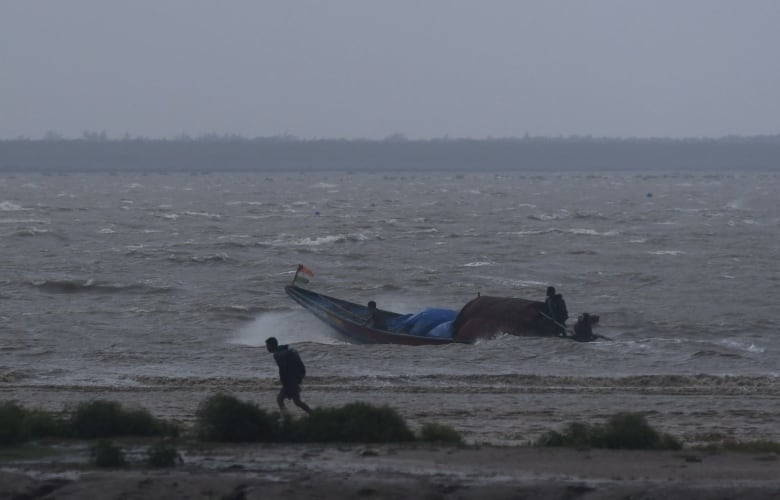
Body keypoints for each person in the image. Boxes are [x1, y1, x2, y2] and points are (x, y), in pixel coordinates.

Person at [265, 337, 312, 414]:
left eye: (267, 346)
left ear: (272, 346)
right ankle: (313, 414)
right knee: (296, 401)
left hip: (291, 382)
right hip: (293, 380)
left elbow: (284, 371)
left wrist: (291, 384)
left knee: (283, 399)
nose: (267, 348)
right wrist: (297, 381)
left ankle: (286, 417)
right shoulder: (284, 351)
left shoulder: (277, 355)